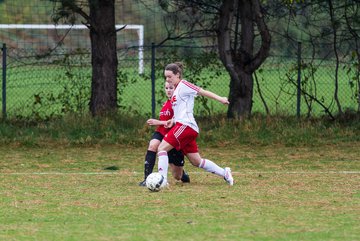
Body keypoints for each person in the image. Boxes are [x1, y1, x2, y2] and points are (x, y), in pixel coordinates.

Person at [157, 62, 234, 186]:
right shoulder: (176, 90)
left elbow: (202, 91)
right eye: (166, 77)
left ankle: (162, 180)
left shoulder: (184, 84)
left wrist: (220, 99)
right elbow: (182, 110)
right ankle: (224, 172)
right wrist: (173, 120)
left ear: (177, 75)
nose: (167, 79)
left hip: (185, 126)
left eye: (169, 76)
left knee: (161, 148)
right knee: (196, 161)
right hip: (183, 126)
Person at [139, 81, 190, 186]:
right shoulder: (165, 103)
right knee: (152, 146)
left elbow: (174, 122)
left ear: (176, 89)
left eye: (171, 88)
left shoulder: (178, 103)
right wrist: (160, 124)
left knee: (177, 176)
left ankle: (183, 174)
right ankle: (146, 179)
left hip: (173, 136)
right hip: (161, 132)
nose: (168, 90)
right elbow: (165, 122)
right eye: (166, 88)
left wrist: (157, 122)